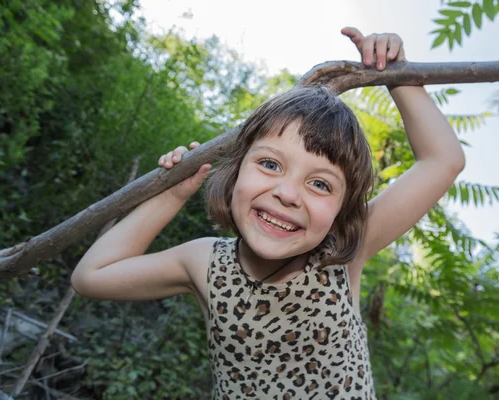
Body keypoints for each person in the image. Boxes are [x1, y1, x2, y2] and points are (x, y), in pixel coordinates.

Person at [71, 27, 465, 399]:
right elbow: (92, 277)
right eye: (271, 165)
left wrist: (397, 74)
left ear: (343, 212)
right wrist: (170, 194)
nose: (288, 194)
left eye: (320, 184)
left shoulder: (345, 250)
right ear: (238, 167)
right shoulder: (205, 263)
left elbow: (442, 160)